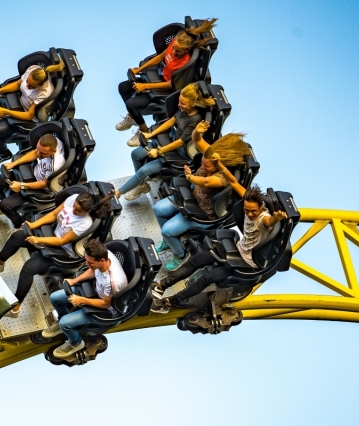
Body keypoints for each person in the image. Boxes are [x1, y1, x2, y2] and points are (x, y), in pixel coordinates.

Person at [151, 186, 287, 310]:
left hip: (245, 263)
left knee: (207, 278)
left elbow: (269, 222)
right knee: (196, 260)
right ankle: (161, 285)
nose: (250, 214)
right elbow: (235, 183)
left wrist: (277, 218)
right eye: (247, 210)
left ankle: (170, 302)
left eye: (253, 211)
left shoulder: (264, 218)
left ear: (261, 207)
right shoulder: (248, 202)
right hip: (237, 248)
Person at [0, 192, 111, 317]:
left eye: (78, 210)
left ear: (88, 211)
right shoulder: (72, 198)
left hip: (63, 251)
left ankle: (15, 307)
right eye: (74, 207)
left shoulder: (85, 223)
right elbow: (54, 214)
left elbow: (62, 241)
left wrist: (38, 240)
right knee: (16, 237)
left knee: (29, 268)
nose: (73, 210)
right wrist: (32, 225)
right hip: (53, 235)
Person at [152, 123, 252, 271]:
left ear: (219, 164)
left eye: (207, 166)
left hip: (202, 213)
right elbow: (198, 142)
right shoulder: (210, 156)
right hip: (190, 198)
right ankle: (170, 242)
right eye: (203, 163)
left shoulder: (223, 177)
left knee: (167, 230)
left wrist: (190, 177)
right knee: (158, 209)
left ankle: (180, 254)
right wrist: (196, 133)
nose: (203, 166)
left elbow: (206, 181)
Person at [115, 19, 218, 143]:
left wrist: (144, 86)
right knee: (123, 87)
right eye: (174, 48)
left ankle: (144, 130)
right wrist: (139, 70)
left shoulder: (185, 63)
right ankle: (133, 118)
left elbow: (172, 84)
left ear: (186, 50)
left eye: (178, 51)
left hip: (167, 89)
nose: (174, 52)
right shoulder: (175, 42)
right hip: (159, 76)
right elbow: (160, 57)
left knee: (131, 104)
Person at [113, 83, 215, 202]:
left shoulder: (195, 119)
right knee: (135, 154)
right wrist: (151, 134)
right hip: (171, 142)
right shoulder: (184, 110)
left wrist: (159, 151)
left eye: (182, 103)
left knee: (144, 171)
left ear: (193, 103)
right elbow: (171, 121)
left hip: (180, 153)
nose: (179, 105)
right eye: (179, 101)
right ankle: (141, 185)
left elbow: (180, 142)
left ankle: (118, 192)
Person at [40, 238, 129, 358]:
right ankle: (61, 321)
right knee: (55, 298)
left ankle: (75, 343)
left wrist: (81, 300)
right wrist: (74, 281)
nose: (86, 264)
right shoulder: (104, 258)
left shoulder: (113, 282)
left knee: (65, 323)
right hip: (95, 290)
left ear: (102, 260)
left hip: (104, 310)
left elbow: (106, 304)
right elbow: (93, 270)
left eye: (90, 262)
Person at [0, 58, 65, 165]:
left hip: (28, 119)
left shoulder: (44, 93)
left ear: (39, 86)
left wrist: (6, 112)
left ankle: (4, 153)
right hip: (17, 102)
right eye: (28, 82)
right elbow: (18, 84)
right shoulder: (34, 69)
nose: (27, 86)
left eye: (31, 86)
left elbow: (29, 115)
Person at [0, 134, 67, 227]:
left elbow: (44, 184)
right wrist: (14, 163)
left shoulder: (56, 165)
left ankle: (19, 225)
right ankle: (5, 205)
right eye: (38, 149)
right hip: (34, 172)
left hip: (40, 187)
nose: (38, 154)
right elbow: (35, 152)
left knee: (5, 205)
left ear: (53, 151)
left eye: (43, 154)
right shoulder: (54, 141)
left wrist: (21, 185)